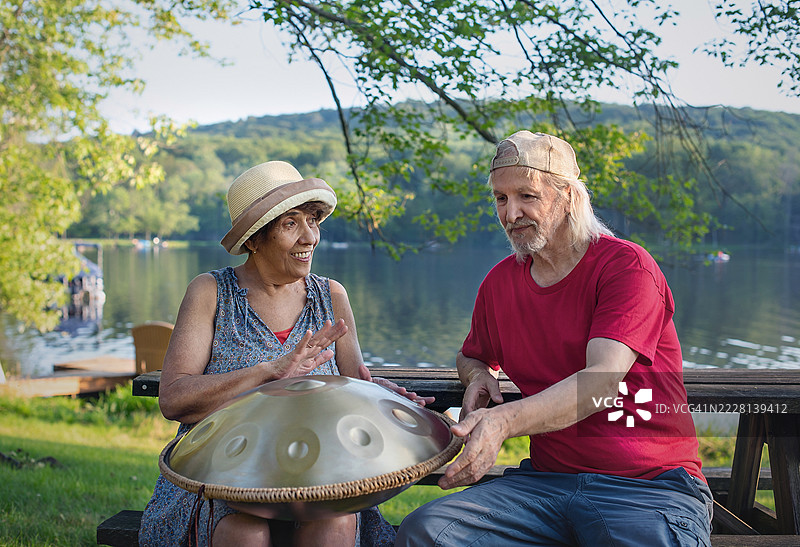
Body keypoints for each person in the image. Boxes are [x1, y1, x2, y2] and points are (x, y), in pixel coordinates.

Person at [396, 131, 713, 546]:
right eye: (500, 198)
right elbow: (472, 354)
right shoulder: (499, 283)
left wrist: (503, 421)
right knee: (428, 533)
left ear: (569, 197)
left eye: (527, 196)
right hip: (545, 485)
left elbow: (600, 383)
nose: (511, 214)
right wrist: (477, 375)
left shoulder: (627, 267)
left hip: (646, 487)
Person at [139, 160, 431, 546]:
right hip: (225, 476)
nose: (309, 237)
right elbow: (174, 399)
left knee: (334, 525)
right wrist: (268, 373)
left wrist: (378, 396)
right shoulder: (210, 292)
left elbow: (352, 388)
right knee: (246, 532)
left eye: (312, 220)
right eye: (291, 223)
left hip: (318, 477)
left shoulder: (332, 295)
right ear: (253, 240)